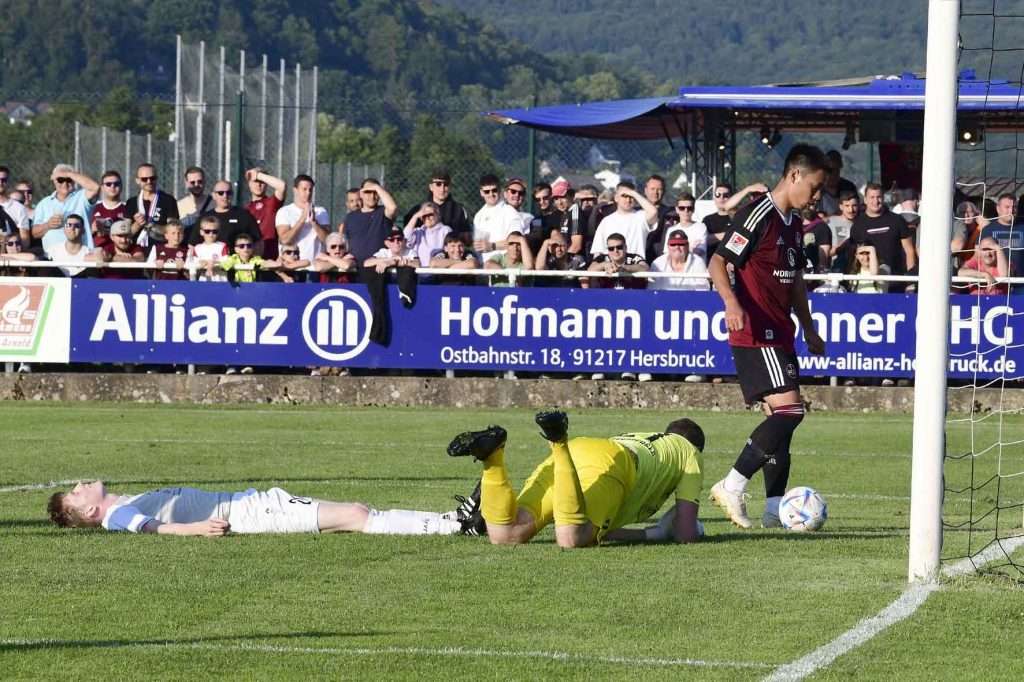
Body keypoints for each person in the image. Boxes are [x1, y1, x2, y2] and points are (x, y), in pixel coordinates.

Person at [706, 143, 828, 530]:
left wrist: (808, 326)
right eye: (815, 186)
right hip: (756, 331)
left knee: (782, 421)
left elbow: (795, 283)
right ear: (794, 176)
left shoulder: (794, 224)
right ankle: (732, 484)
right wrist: (730, 301)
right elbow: (719, 261)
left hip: (782, 333)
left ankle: (775, 508)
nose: (818, 196)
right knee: (792, 411)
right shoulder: (759, 214)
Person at [447, 410, 705, 547]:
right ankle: (558, 442)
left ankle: (493, 459)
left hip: (583, 450)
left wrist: (650, 533)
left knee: (505, 534)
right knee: (571, 538)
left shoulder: (650, 437)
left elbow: (607, 531)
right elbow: (685, 534)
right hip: (615, 464)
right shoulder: (690, 452)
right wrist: (679, 531)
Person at [47, 480, 469, 537]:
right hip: (248, 513)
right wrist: (198, 530)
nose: (82, 485)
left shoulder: (121, 503)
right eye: (77, 493)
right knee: (358, 517)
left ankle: (453, 520)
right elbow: (152, 529)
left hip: (252, 503)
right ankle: (457, 526)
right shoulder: (119, 517)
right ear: (89, 513)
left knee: (357, 510)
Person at [849, 183, 916, 291]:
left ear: (883, 198)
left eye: (879, 197)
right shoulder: (857, 225)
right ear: (865, 200)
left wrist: (911, 281)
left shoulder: (897, 220)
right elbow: (854, 256)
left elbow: (909, 251)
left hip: (896, 283)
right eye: (872, 197)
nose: (876, 201)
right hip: (868, 285)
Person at [32, 164, 100, 256]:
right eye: (60, 180)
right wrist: (47, 225)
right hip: (53, 257)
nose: (65, 184)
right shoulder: (44, 203)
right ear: (54, 182)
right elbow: (35, 233)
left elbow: (95, 188)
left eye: (68, 180)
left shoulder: (81, 197)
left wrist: (68, 174)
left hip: (81, 256)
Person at [589, 181, 658, 259]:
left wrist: (633, 193)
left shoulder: (641, 217)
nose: (628, 200)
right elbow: (598, 251)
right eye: (624, 196)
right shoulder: (606, 221)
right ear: (616, 198)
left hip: (636, 267)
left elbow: (653, 212)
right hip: (611, 268)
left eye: (631, 196)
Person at [401, 168, 471, 242]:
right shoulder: (417, 210)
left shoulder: (459, 210)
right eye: (438, 184)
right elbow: (406, 238)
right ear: (431, 187)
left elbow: (467, 240)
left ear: (450, 187)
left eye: (446, 185)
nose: (442, 189)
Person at [192, 179, 262, 252]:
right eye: (221, 193)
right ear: (214, 195)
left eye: (228, 193)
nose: (225, 196)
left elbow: (258, 242)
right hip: (211, 261)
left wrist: (255, 261)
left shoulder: (244, 215)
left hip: (237, 261)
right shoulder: (205, 217)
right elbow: (193, 244)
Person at [275, 174, 330, 264]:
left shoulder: (321, 211)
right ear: (295, 190)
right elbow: (284, 240)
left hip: (315, 267)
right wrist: (302, 219)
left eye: (310, 190)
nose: (308, 193)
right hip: (292, 267)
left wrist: (314, 222)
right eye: (304, 189)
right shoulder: (284, 212)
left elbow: (328, 241)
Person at [124, 163, 179, 246]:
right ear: (137, 180)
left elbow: (174, 230)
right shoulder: (131, 202)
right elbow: (125, 233)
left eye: (152, 178)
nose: (149, 182)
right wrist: (137, 224)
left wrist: (152, 226)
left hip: (161, 246)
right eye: (144, 179)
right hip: (136, 248)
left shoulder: (168, 200)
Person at [345, 178, 398, 263]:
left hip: (378, 267)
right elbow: (347, 242)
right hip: (356, 268)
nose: (372, 196)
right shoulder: (350, 217)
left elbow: (393, 208)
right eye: (368, 192)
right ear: (361, 194)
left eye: (375, 192)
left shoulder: (383, 212)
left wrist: (377, 187)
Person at [472, 174, 522, 254]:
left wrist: (492, 246)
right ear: (481, 193)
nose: (491, 194)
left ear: (499, 190)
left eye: (494, 190)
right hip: (481, 263)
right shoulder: (478, 215)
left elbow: (516, 240)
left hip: (502, 263)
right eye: (487, 191)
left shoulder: (510, 212)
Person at [245, 167, 287, 259]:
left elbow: (282, 186)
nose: (259, 185)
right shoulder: (245, 209)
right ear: (249, 184)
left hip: (269, 257)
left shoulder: (271, 203)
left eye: (262, 182)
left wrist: (258, 175)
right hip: (250, 258)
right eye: (255, 181)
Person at [404, 201, 452, 265]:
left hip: (437, 269)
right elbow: (405, 238)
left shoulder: (445, 230)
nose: (427, 218)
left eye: (430, 214)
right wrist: (415, 217)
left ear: (437, 215)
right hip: (419, 270)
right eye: (424, 215)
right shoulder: (418, 231)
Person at [91, 170, 128, 251]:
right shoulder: (93, 208)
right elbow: (81, 233)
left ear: (121, 186)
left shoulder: (128, 208)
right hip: (97, 252)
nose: (112, 187)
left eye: (116, 184)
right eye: (108, 184)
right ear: (102, 187)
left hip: (121, 253)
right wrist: (92, 229)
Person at [176, 166, 212, 234]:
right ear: (186, 183)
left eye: (200, 181)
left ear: (204, 182)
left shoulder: (214, 203)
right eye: (192, 182)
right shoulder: (179, 205)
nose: (196, 185)